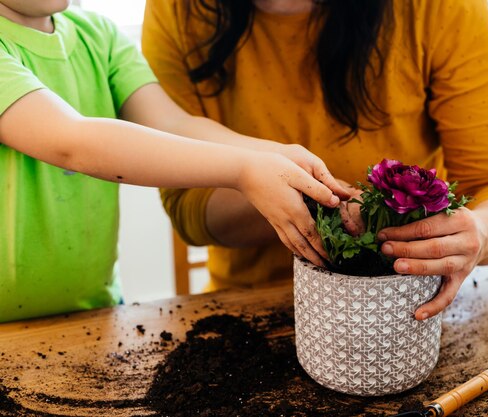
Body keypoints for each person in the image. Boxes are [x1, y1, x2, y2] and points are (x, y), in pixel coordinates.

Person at [142, 0, 488, 320]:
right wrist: (308, 199)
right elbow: (189, 208)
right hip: (251, 311)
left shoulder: (440, 10)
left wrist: (478, 233)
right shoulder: (178, 11)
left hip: (406, 309)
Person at [0, 0, 350, 323]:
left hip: (95, 312)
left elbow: (173, 124)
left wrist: (270, 155)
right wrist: (244, 170)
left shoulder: (99, 37)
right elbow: (72, 142)